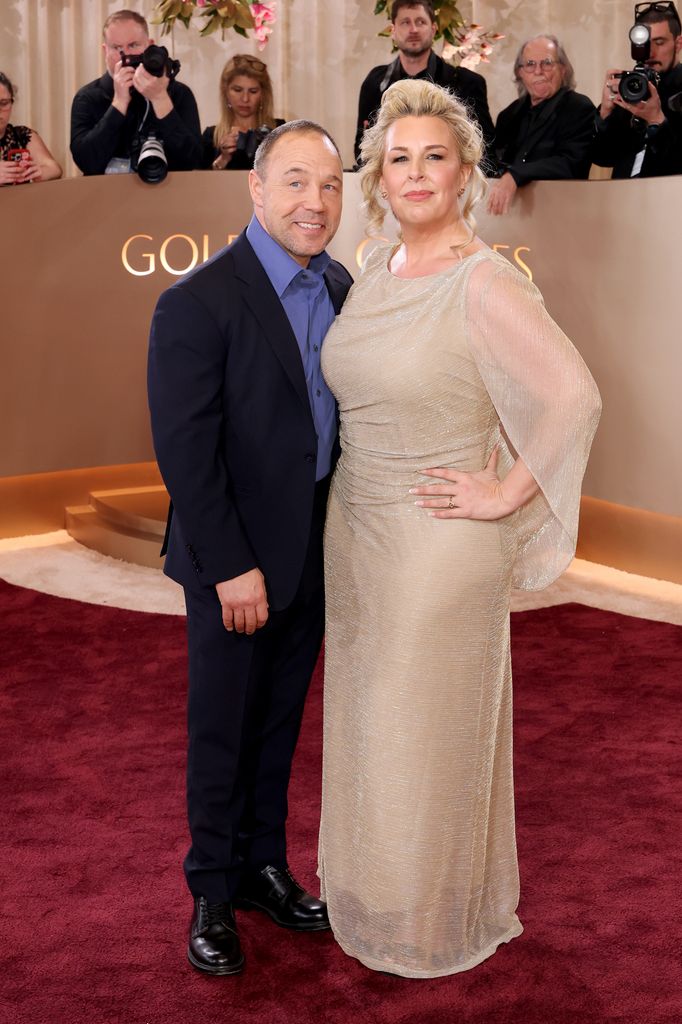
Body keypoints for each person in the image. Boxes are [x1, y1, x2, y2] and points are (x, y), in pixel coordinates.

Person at [318, 79, 601, 978]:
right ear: (379, 177)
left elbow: (573, 396)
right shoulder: (373, 266)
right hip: (357, 532)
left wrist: (507, 491)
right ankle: (380, 896)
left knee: (424, 728)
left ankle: (430, 922)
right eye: (398, 158)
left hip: (439, 543)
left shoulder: (484, 279)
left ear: (464, 173)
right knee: (372, 722)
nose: (415, 173)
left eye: (433, 157)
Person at [148, 120, 353, 976]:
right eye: (297, 182)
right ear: (257, 190)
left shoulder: (338, 283)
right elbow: (186, 453)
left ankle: (263, 868)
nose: (316, 201)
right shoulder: (197, 301)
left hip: (312, 544)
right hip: (232, 557)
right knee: (223, 728)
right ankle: (211, 890)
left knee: (278, 722)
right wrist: (233, 567)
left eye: (331, 185)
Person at [354, 0, 494, 166]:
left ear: (433, 29)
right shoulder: (375, 82)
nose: (413, 29)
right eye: (405, 22)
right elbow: (362, 150)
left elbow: (485, 150)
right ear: (393, 31)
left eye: (420, 22)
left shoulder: (467, 83)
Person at [70, 9, 201, 176]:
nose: (125, 55)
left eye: (133, 45)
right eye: (117, 47)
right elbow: (87, 163)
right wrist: (119, 103)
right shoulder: (88, 97)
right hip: (105, 191)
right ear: (105, 51)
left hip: (169, 191)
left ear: (150, 46)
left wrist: (160, 99)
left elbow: (192, 161)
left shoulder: (178, 93)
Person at [487, 35, 595, 216]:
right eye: (530, 64)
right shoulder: (508, 115)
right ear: (520, 73)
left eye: (547, 63)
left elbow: (570, 164)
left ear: (563, 69)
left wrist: (516, 175)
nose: (538, 71)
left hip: (562, 212)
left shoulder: (578, 108)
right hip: (510, 214)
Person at [591, 0, 682, 177]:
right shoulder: (633, 86)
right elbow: (603, 157)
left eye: (659, 42)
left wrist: (656, 121)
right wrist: (605, 114)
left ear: (678, 44)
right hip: (624, 192)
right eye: (644, 43)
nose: (650, 52)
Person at [202, 54, 284, 171]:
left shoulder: (279, 130)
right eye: (237, 90)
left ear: (263, 94)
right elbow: (200, 180)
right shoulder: (212, 136)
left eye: (253, 91)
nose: (245, 99)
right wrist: (223, 159)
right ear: (225, 91)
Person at [0, 72, 62, 186]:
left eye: (4, 103)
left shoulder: (22, 135)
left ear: (12, 102)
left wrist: (40, 172)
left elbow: (55, 169)